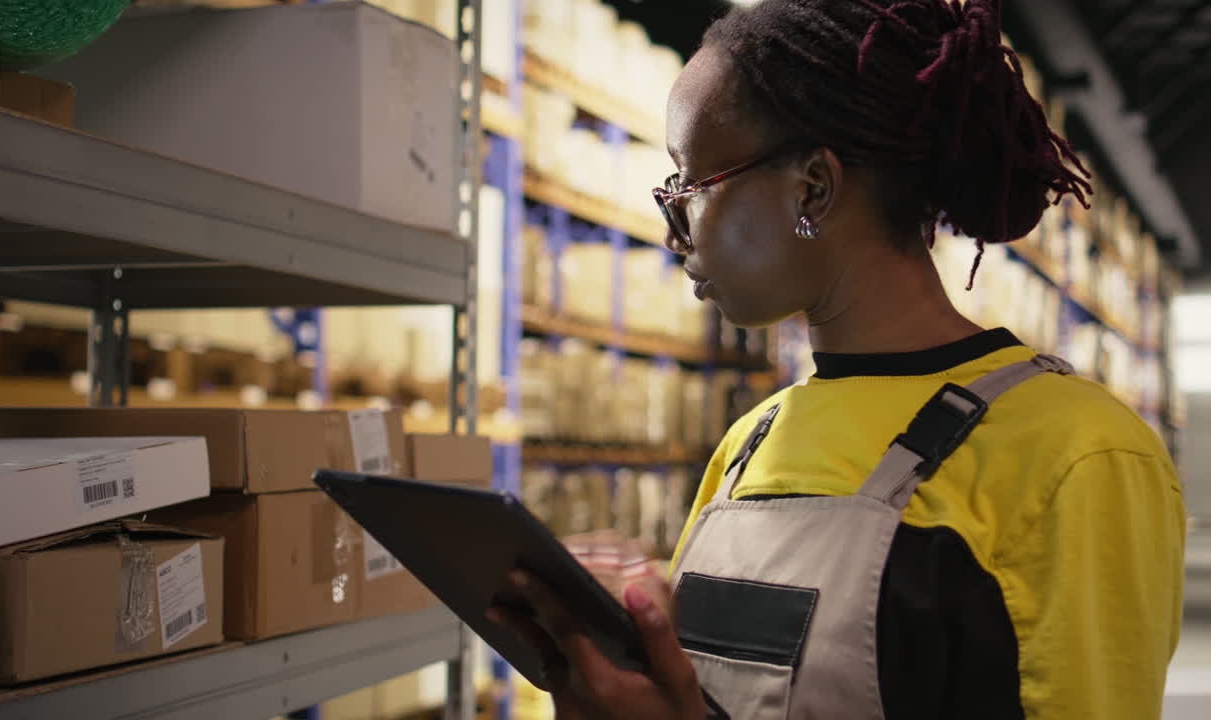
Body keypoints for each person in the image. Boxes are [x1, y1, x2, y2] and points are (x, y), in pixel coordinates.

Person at [488, 0, 1187, 718]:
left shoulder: (1078, 455)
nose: (676, 233)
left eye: (688, 187)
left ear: (813, 189)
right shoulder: (750, 443)